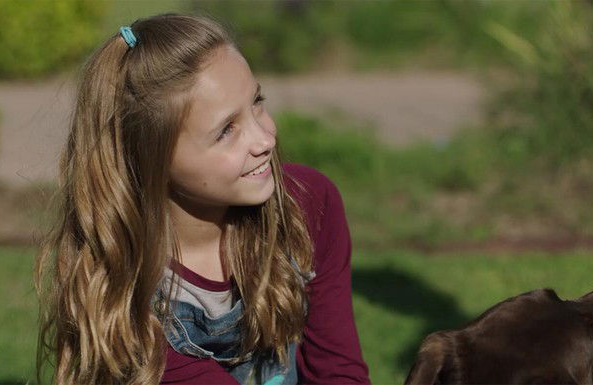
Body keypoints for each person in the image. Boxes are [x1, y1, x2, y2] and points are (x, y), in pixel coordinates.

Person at [34, 12, 370, 385]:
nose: (266, 140)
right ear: (151, 160)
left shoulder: (309, 203)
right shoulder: (132, 292)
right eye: (226, 130)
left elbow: (338, 371)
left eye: (257, 101)